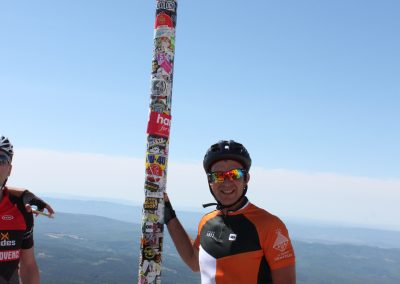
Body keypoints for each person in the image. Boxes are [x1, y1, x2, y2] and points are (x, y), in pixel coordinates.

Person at [164, 140, 296, 284]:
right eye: (218, 175)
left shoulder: (270, 225)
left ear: (246, 179)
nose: (227, 182)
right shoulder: (207, 221)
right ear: (210, 181)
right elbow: (193, 262)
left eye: (235, 174)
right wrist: (169, 215)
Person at [0, 135, 52, 284]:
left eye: (1, 160)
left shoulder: (21, 210)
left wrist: (24, 194)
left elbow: (28, 265)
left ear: (9, 169)